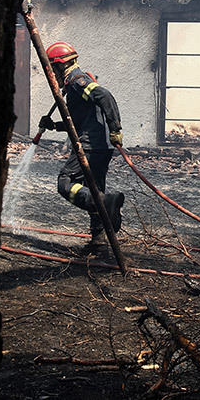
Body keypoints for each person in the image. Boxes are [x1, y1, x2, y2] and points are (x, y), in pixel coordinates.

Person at [39, 41, 125, 251]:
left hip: (90, 145)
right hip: (101, 146)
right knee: (94, 188)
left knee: (65, 183)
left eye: (52, 69)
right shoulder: (73, 86)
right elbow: (78, 123)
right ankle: (99, 240)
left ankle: (105, 202)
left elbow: (105, 96)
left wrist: (116, 129)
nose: (52, 75)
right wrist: (54, 126)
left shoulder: (77, 81)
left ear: (59, 66)